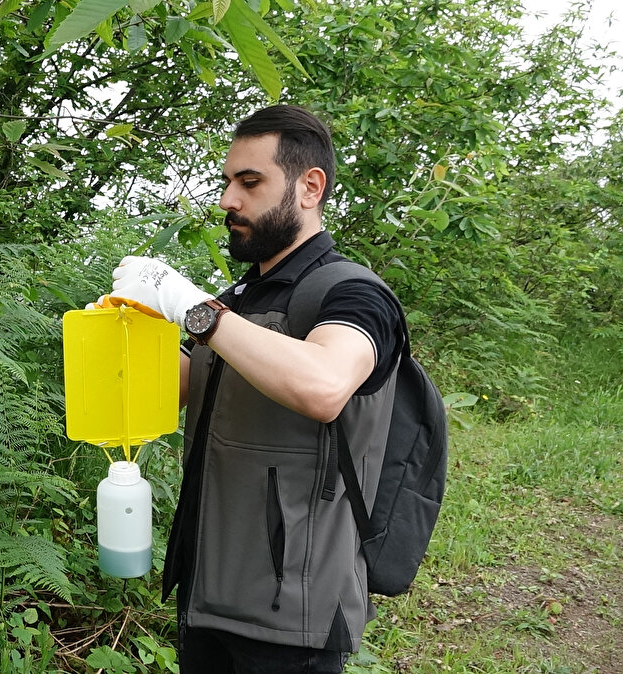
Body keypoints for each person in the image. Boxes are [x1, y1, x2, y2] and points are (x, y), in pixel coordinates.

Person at [93, 105, 405, 673]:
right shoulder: (237, 300)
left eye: (250, 181)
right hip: (208, 591)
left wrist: (196, 310)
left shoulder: (355, 294)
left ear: (310, 188)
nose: (227, 200)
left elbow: (325, 385)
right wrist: (127, 333)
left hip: (292, 614)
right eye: (227, 182)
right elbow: (160, 398)